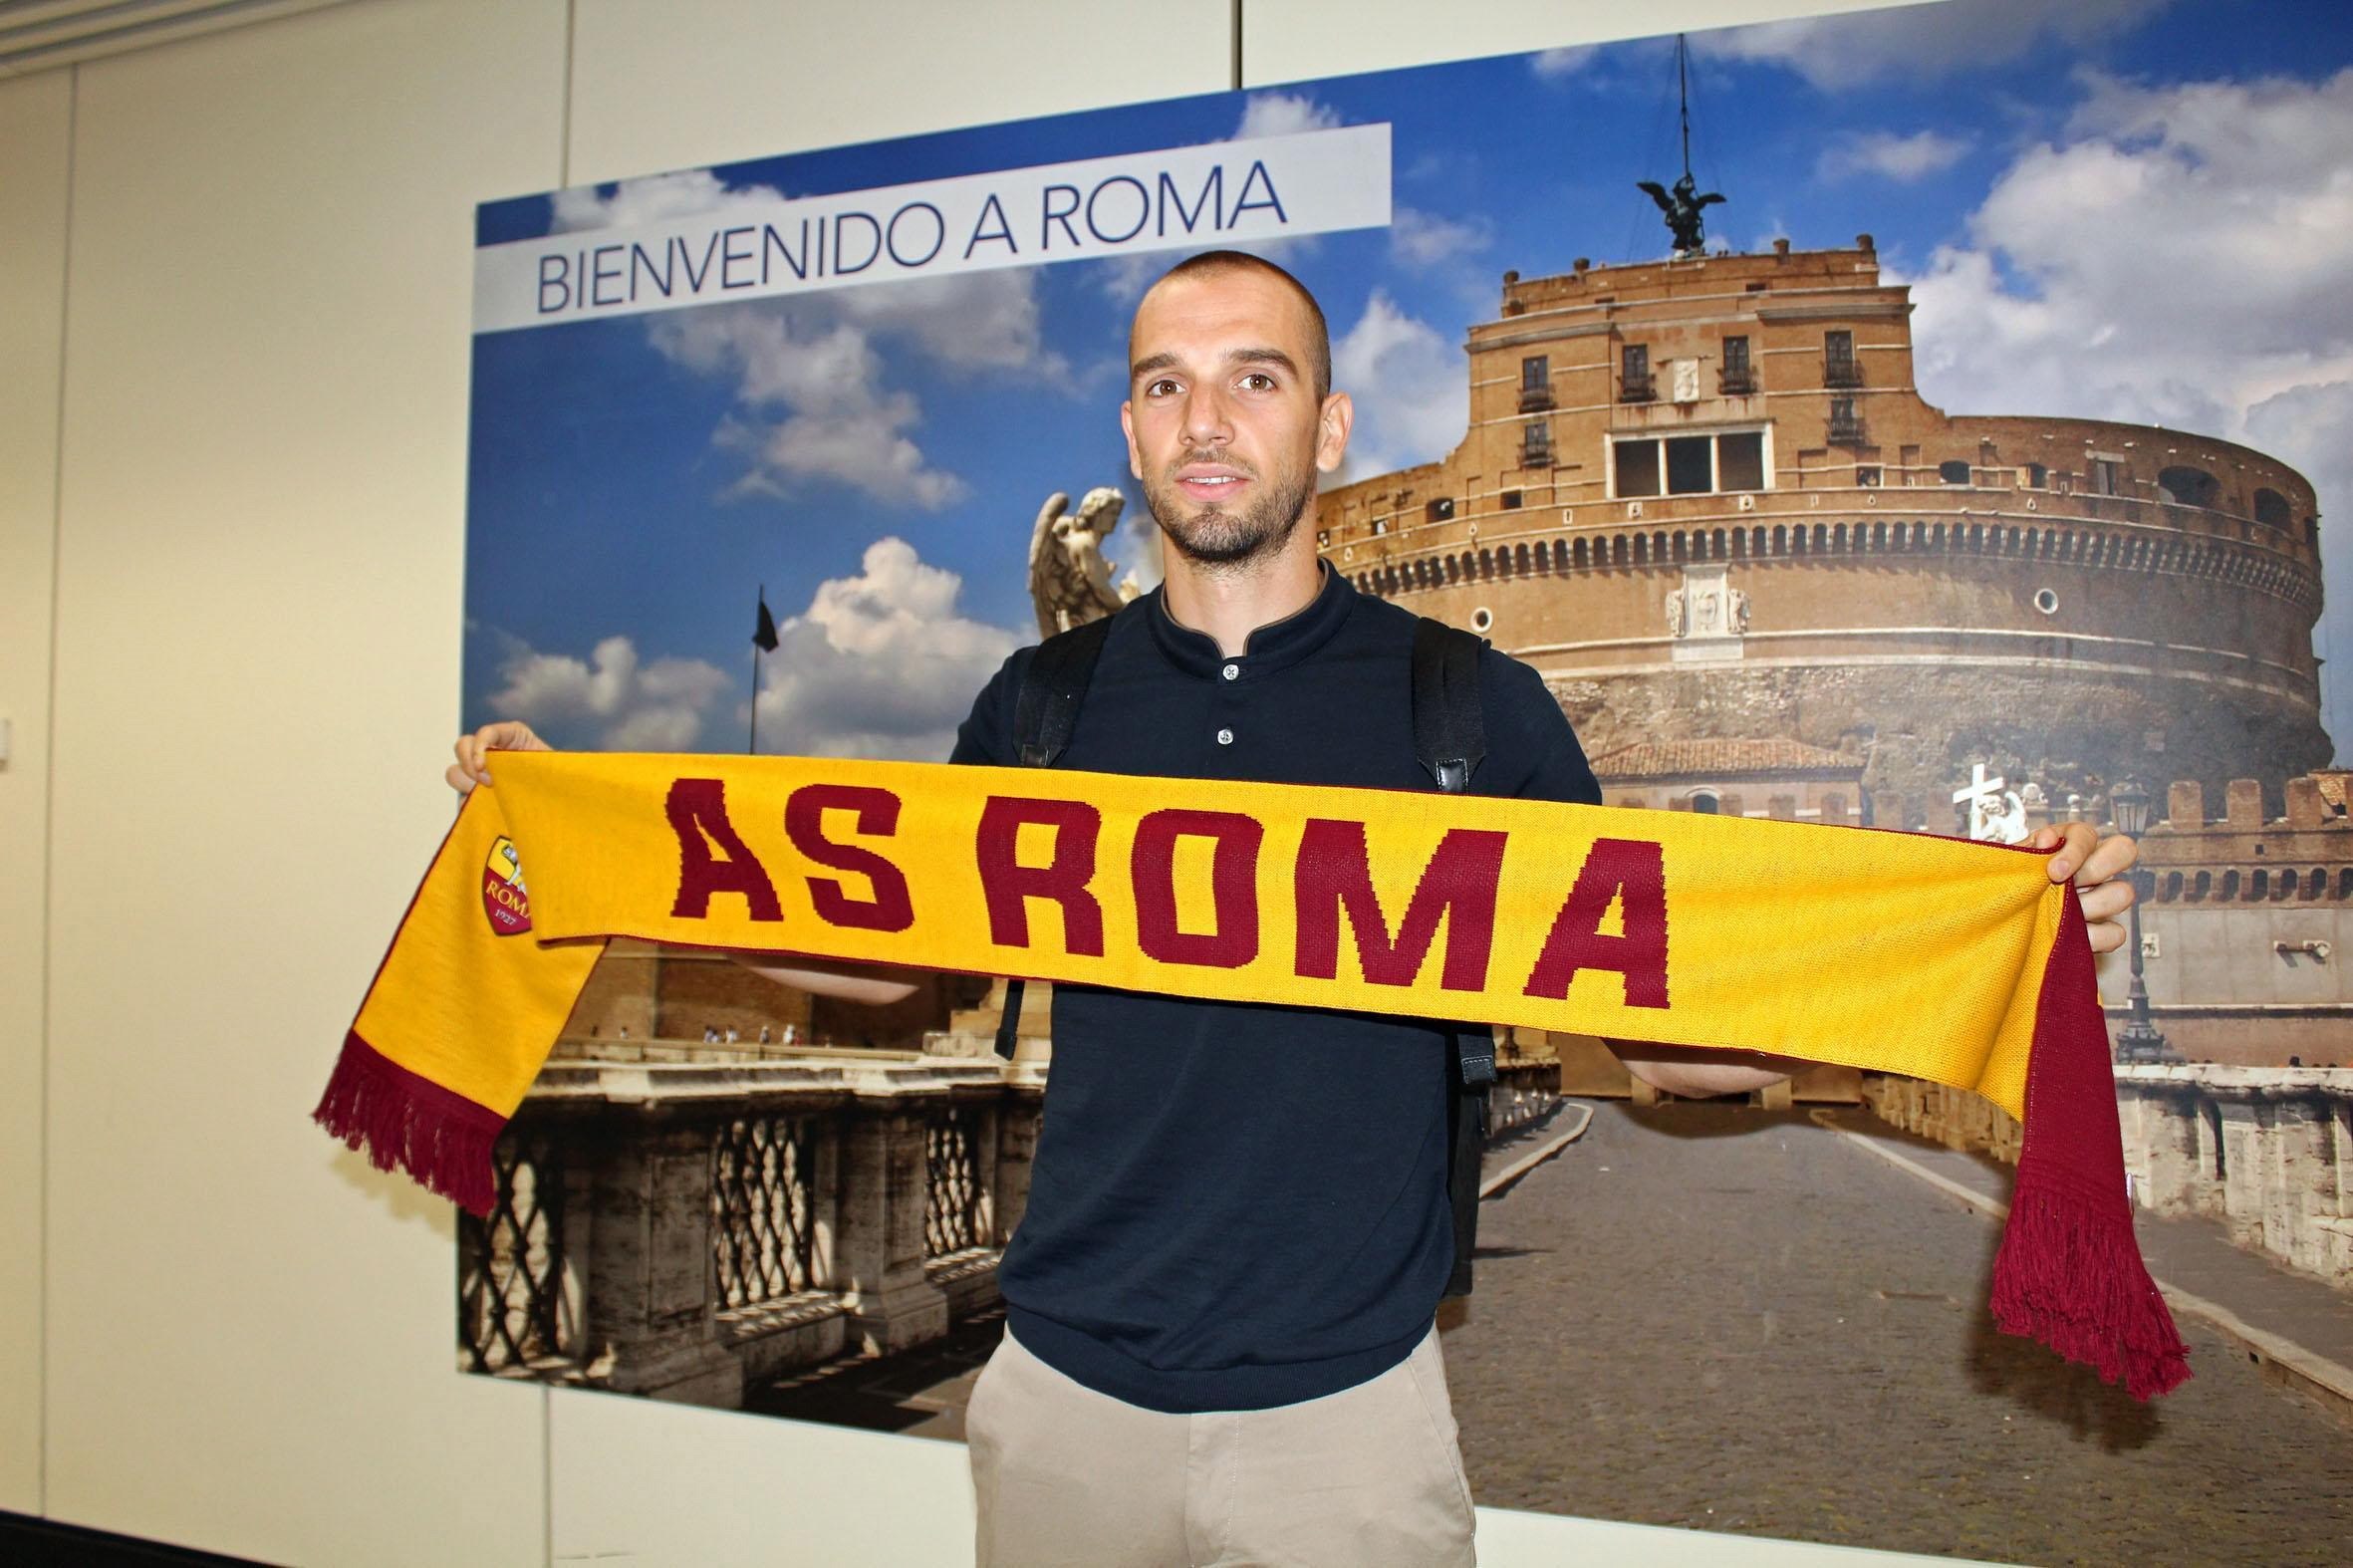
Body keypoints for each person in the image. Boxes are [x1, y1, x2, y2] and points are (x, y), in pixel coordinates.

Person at [448, 250, 2141, 1566]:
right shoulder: (1040, 708)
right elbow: (887, 972)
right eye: (1164, 386)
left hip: (1351, 1422)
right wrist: (595, 854)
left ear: (1324, 427)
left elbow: (1657, 1029)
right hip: (1056, 1404)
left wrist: (1992, 945)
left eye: (1254, 380)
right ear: (1128, 429)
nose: (1204, 423)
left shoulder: (1466, 711)